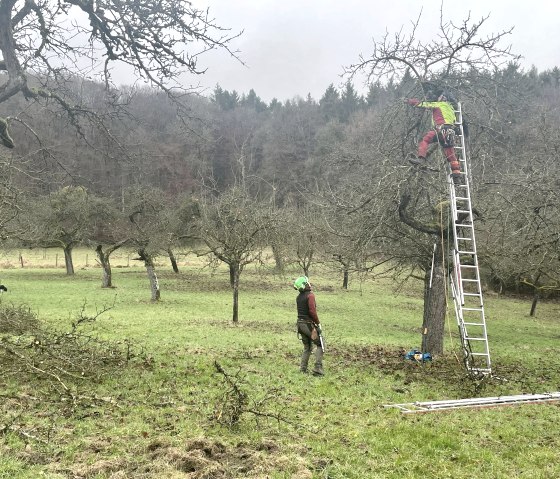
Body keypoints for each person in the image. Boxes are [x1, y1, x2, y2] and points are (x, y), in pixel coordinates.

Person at [404, 91, 462, 184]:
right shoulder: (451, 109)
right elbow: (454, 123)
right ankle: (457, 177)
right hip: (450, 132)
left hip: (440, 129)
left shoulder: (438, 104)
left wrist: (410, 101)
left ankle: (420, 158)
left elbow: (422, 104)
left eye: (440, 97)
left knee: (425, 140)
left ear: (443, 98)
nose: (438, 98)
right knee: (451, 155)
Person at [294, 276, 324, 376]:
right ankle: (317, 368)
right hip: (308, 324)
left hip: (300, 324)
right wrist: (318, 323)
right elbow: (312, 311)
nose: (309, 284)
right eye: (307, 283)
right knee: (320, 344)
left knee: (307, 347)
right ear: (304, 285)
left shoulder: (299, 297)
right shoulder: (310, 296)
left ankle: (303, 369)